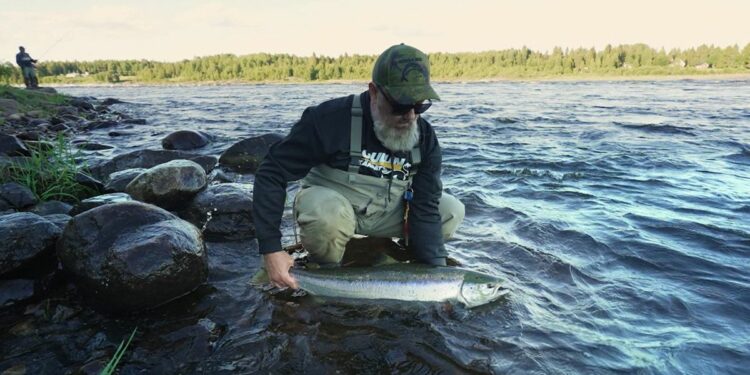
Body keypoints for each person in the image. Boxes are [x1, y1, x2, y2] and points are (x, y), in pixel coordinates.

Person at [253, 43, 465, 289]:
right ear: (374, 92)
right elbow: (272, 172)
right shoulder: (328, 120)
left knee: (450, 211)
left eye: (419, 105)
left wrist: (436, 278)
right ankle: (326, 271)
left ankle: (398, 256)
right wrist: (271, 249)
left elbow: (425, 207)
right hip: (335, 212)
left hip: (388, 214)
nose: (409, 116)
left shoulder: (425, 137)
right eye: (400, 105)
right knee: (325, 213)